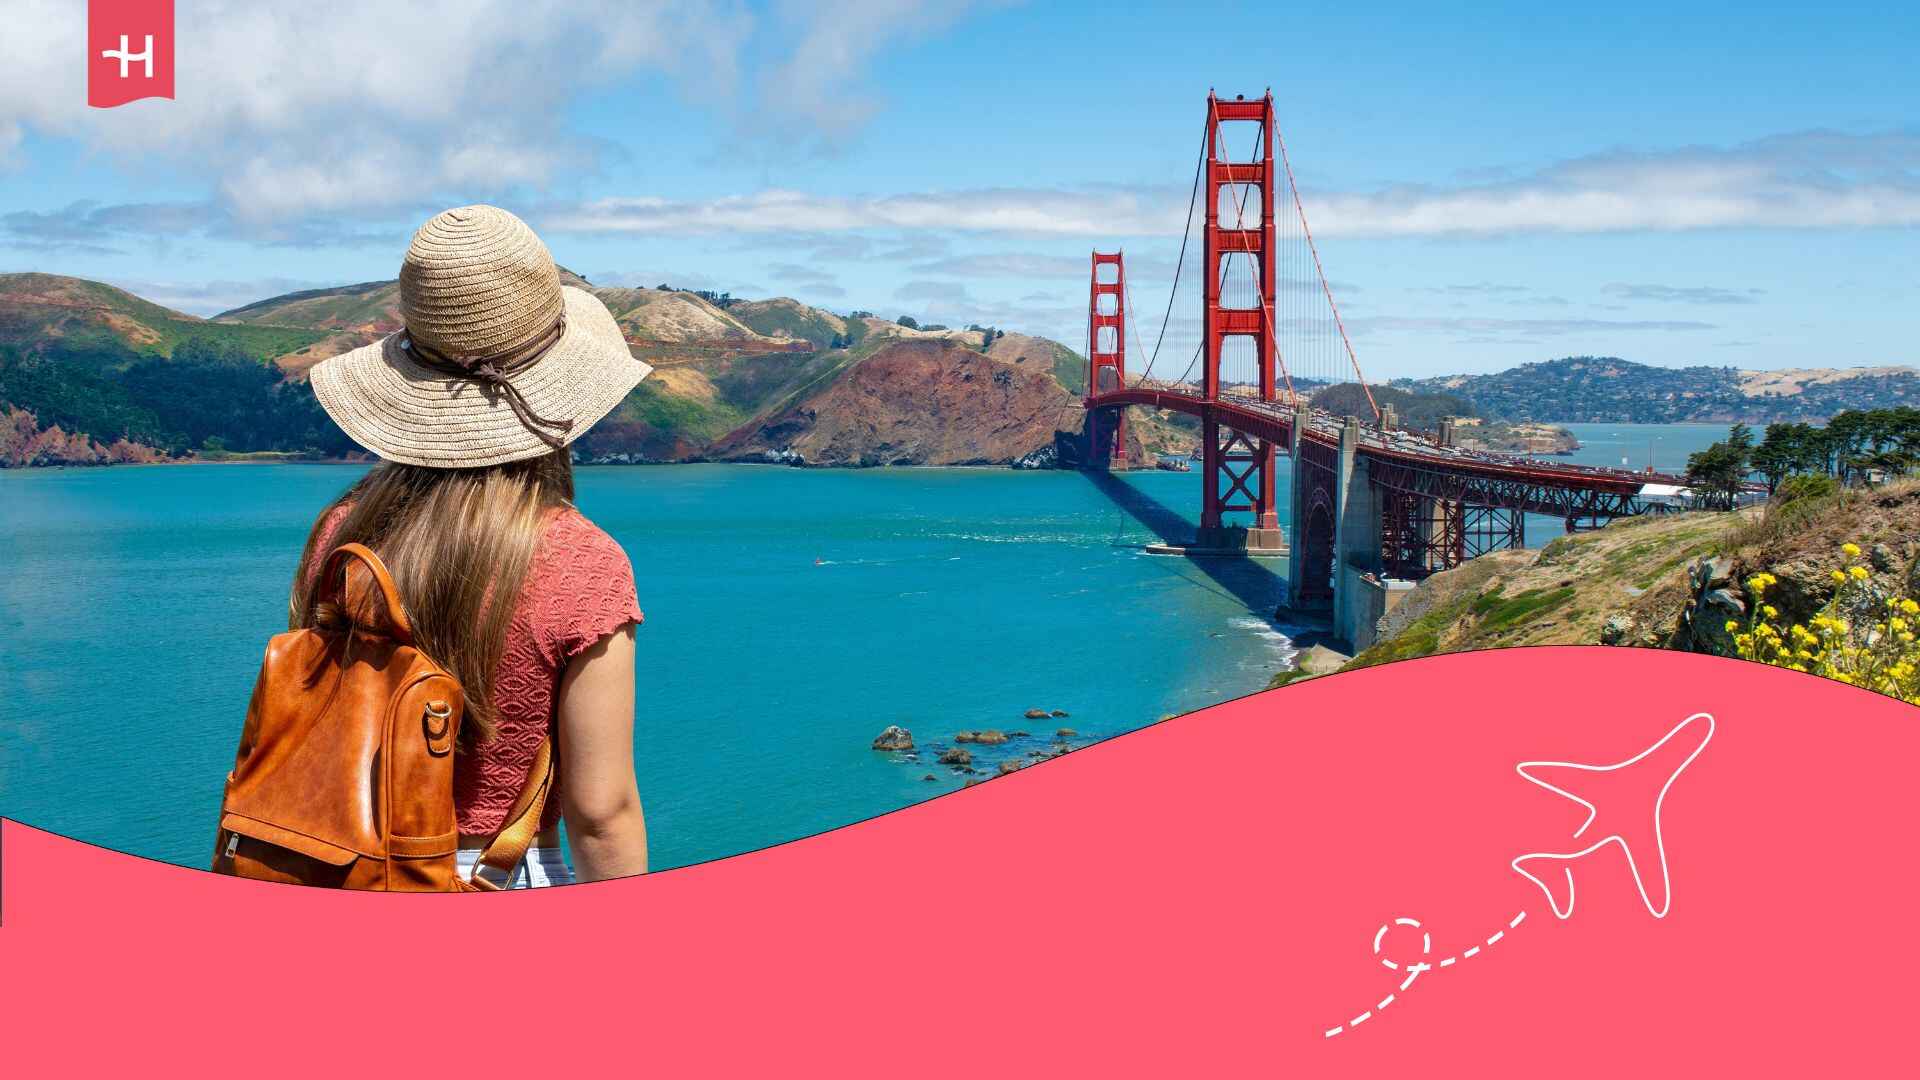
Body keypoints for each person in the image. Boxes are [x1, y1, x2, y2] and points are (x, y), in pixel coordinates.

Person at [294, 204, 653, 887]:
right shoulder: (580, 562)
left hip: (337, 867)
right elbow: (601, 812)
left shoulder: (340, 534)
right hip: (499, 876)